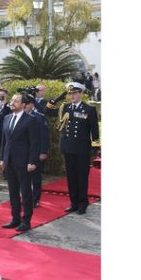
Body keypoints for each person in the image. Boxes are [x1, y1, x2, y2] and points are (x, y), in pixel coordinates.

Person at [0, 93, 40, 233]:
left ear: (23, 104)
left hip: (24, 162)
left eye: (16, 101)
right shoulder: (7, 118)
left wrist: (32, 161)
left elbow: (35, 143)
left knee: (26, 192)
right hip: (9, 160)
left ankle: (26, 221)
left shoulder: (30, 120)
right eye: (12, 100)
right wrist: (2, 158)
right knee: (12, 191)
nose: (12, 102)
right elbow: (4, 141)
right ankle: (15, 218)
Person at [59, 82, 100, 215]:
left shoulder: (89, 109)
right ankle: (73, 202)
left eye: (75, 93)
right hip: (69, 147)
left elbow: (94, 130)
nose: (72, 96)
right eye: (70, 93)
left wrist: (95, 148)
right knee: (71, 176)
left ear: (81, 94)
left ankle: (83, 203)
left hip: (82, 149)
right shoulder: (65, 108)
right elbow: (57, 120)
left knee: (82, 176)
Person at [24, 96, 49, 208]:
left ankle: (35, 199)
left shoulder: (39, 117)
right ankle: (26, 198)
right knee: (25, 177)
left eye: (26, 104)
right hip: (24, 152)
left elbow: (44, 136)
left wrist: (43, 151)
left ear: (32, 105)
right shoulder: (20, 117)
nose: (24, 106)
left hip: (37, 151)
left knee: (36, 177)